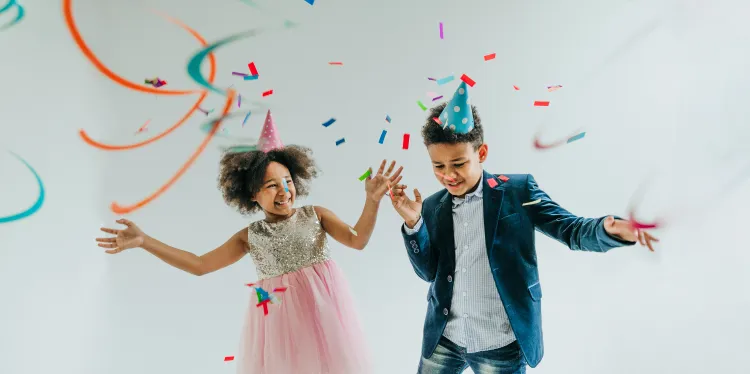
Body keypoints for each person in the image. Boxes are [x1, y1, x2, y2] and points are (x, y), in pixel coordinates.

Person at [95, 110, 402, 374]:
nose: (284, 191)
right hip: (281, 327)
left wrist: (372, 201)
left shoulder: (316, 215)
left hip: (326, 318)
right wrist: (145, 241)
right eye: (271, 185)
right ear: (253, 194)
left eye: (288, 182)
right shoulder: (250, 236)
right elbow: (199, 265)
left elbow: (357, 240)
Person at [388, 82, 659, 374]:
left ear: (481, 153)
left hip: (500, 342)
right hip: (445, 337)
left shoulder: (518, 192)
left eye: (458, 163)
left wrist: (610, 229)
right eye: (438, 166)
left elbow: (570, 229)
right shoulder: (431, 206)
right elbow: (428, 272)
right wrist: (413, 223)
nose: (448, 175)